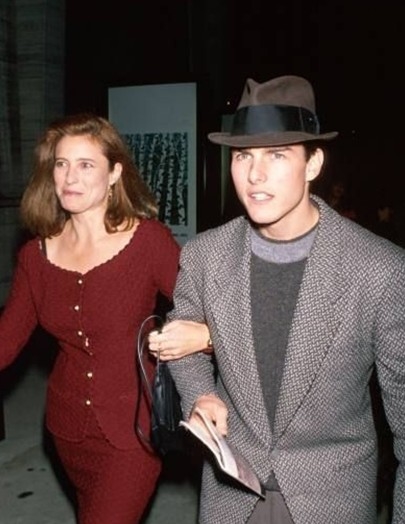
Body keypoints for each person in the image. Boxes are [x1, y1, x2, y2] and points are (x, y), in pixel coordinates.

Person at [161, 75, 405, 523]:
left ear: (313, 164)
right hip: (230, 494)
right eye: (242, 156)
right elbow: (183, 336)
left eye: (276, 154)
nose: (255, 175)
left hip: (332, 500)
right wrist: (202, 395)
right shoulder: (204, 255)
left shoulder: (379, 269)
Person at [0, 113, 181, 524]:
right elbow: (6, 341)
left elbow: (208, 309)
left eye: (85, 165)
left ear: (114, 173)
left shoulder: (148, 242)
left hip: (133, 431)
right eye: (61, 164)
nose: (69, 177)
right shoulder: (35, 256)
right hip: (66, 430)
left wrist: (200, 338)